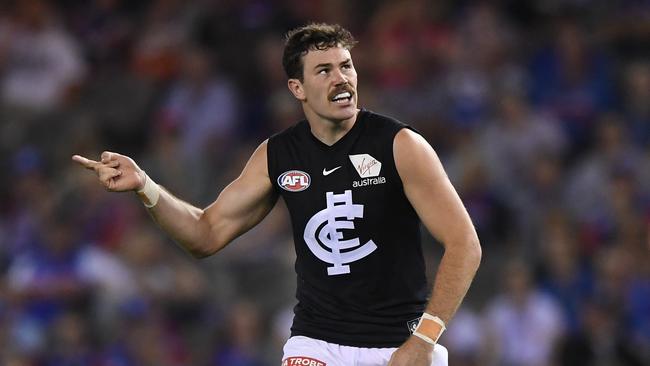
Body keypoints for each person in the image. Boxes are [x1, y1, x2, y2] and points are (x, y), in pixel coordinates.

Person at [72, 23, 481, 366]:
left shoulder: (400, 145)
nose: (341, 78)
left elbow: (465, 244)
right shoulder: (278, 155)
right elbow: (206, 234)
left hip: (400, 346)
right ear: (297, 88)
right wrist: (145, 184)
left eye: (347, 66)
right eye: (324, 71)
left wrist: (425, 339)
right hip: (316, 344)